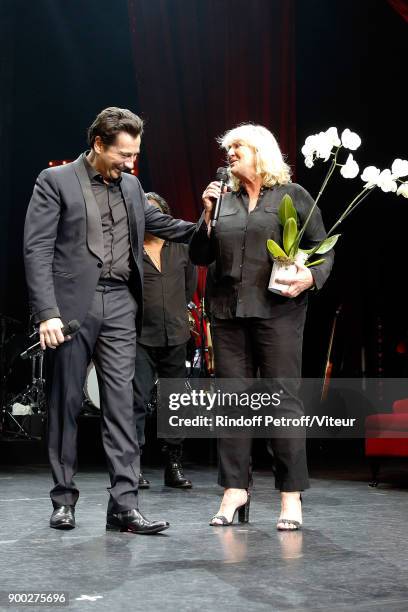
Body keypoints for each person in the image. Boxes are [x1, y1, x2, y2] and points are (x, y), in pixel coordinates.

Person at [24, 107, 195, 534]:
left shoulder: (134, 187)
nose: (131, 163)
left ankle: (124, 505)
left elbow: (163, 224)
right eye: (124, 154)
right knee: (65, 403)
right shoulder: (57, 181)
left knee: (121, 405)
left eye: (135, 154)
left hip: (121, 304)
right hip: (71, 308)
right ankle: (63, 499)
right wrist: (47, 313)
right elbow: (37, 249)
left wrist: (212, 222)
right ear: (99, 144)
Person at [189, 123, 334, 529]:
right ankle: (235, 489)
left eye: (238, 146)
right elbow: (200, 255)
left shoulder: (293, 196)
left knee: (283, 402)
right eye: (228, 147)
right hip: (227, 313)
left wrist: (310, 277)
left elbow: (324, 249)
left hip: (278, 313)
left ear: (261, 152)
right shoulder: (223, 199)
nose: (230, 153)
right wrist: (206, 214)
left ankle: (290, 496)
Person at [133, 191, 197, 489]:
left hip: (175, 333)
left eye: (155, 213)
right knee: (136, 400)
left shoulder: (181, 247)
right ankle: (132, 466)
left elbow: (188, 290)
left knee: (174, 401)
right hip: (139, 336)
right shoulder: (129, 250)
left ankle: (174, 464)